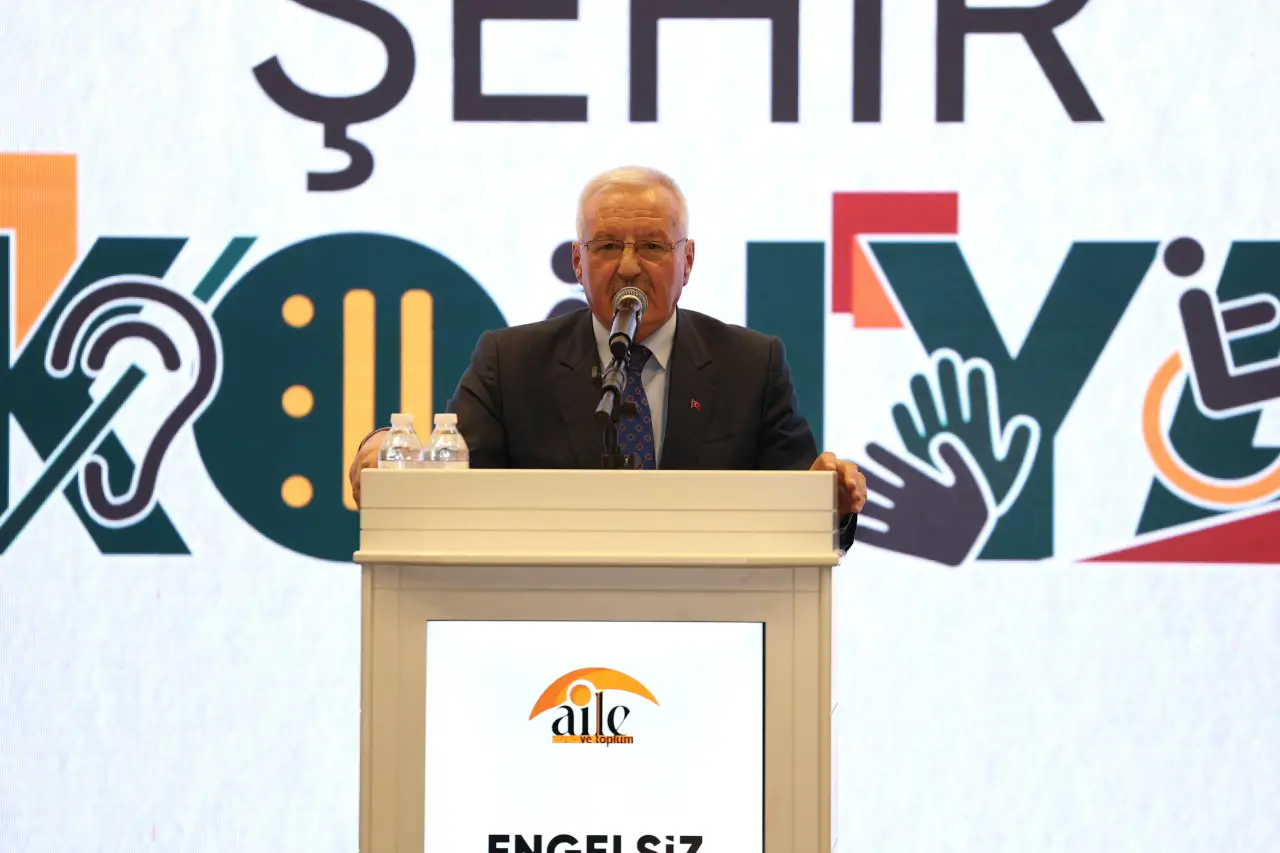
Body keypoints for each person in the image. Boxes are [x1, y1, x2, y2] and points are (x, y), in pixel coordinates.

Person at [348, 166, 867, 549]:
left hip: (709, 626)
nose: (628, 267)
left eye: (653, 247)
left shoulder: (749, 366)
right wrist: (386, 451)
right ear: (578, 261)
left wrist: (832, 502)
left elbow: (804, 512)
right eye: (606, 246)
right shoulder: (510, 362)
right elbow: (450, 485)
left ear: (687, 261)